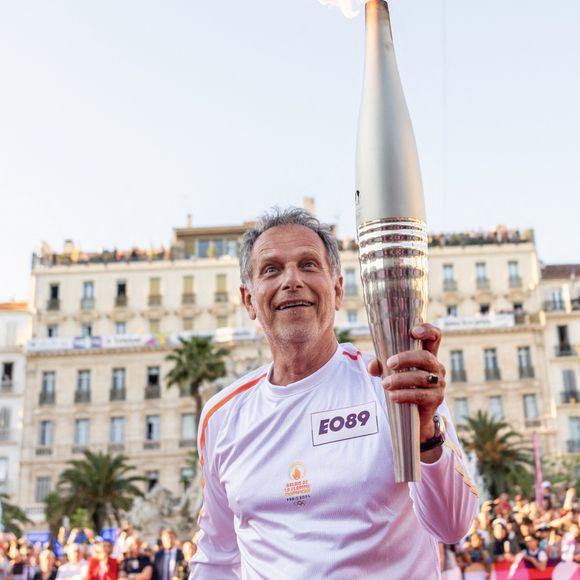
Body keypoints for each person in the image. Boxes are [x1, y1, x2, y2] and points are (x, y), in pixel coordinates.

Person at [189, 208, 479, 578]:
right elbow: (216, 557)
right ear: (248, 300)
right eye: (272, 269)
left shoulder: (394, 382)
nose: (292, 280)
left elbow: (453, 526)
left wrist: (425, 435)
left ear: (338, 290)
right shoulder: (223, 416)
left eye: (308, 265)